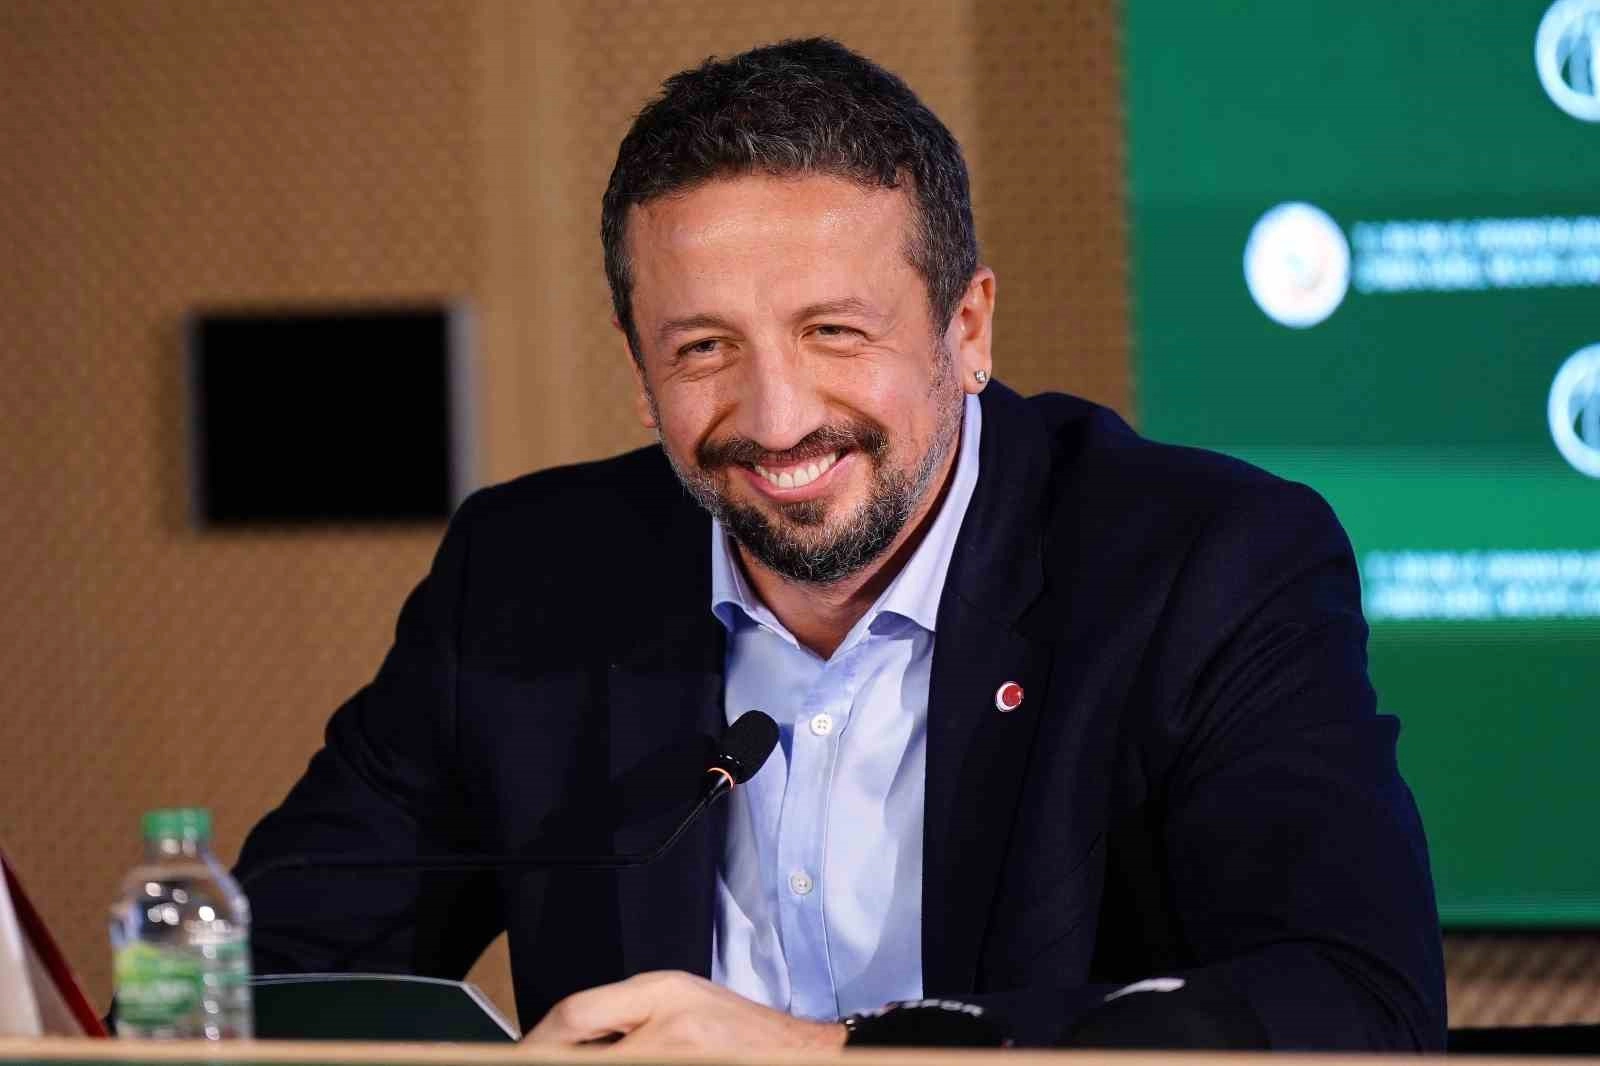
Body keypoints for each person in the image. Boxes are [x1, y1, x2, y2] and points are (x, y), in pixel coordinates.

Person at [236, 38, 1445, 1050]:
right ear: (637, 368)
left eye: (833, 331)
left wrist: (830, 1053)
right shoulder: (525, 577)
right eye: (703, 348)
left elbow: (1350, 1008)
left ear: (967, 329)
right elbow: (260, 981)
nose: (775, 420)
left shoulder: (1204, 563)